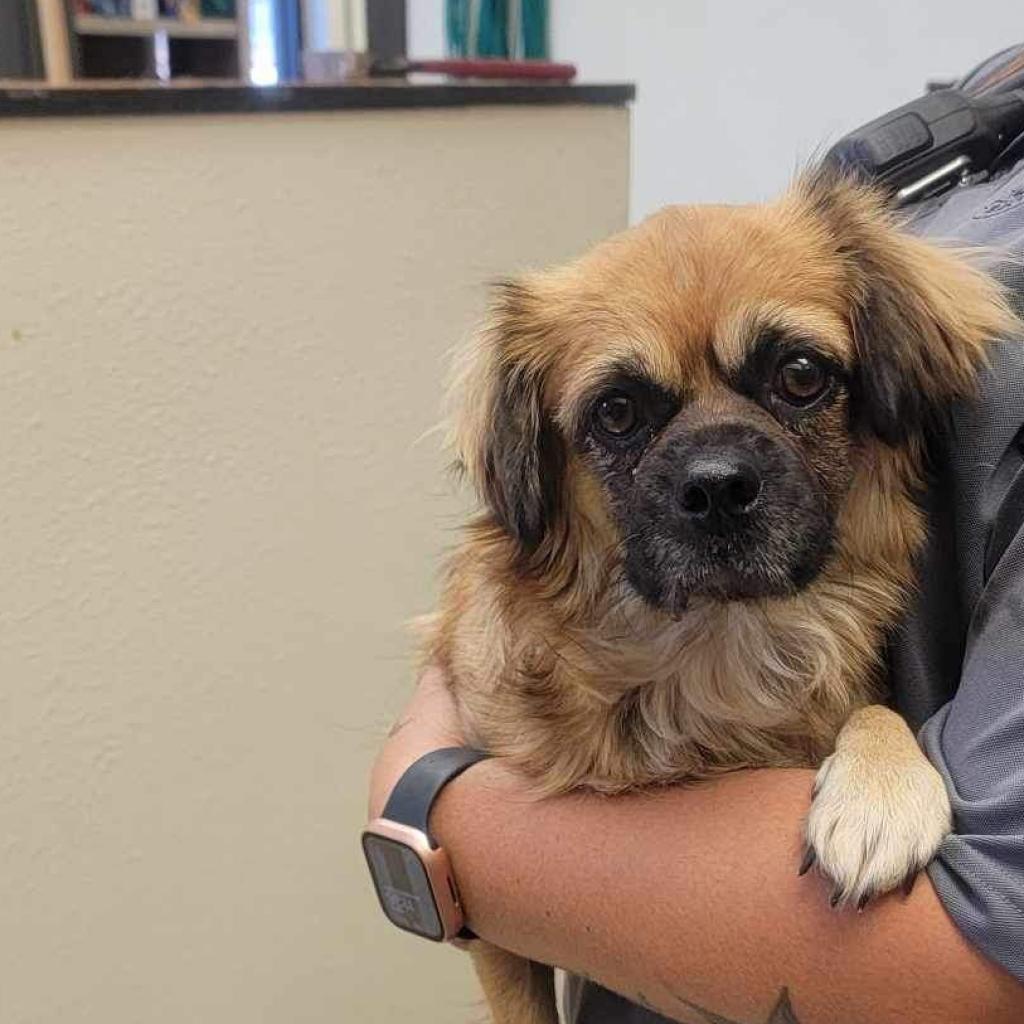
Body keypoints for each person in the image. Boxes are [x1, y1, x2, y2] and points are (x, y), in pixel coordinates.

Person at [367, 124, 1024, 1024]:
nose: (715, 473)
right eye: (622, 416)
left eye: (797, 380)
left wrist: (434, 802)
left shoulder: (836, 634)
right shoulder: (963, 121)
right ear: (544, 469)